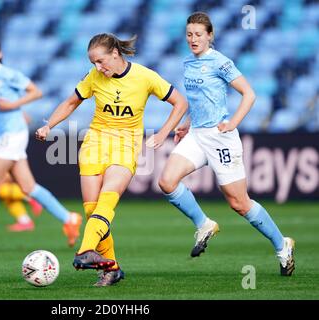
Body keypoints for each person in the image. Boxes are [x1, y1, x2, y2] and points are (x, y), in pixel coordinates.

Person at [36, 33, 188, 286]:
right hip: (95, 142)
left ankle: (85, 250)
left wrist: (163, 133)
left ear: (115, 54)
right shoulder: (93, 76)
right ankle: (112, 269)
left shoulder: (145, 76)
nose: (97, 67)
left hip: (125, 145)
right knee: (92, 211)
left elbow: (180, 103)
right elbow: (72, 102)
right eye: (94, 63)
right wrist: (48, 125)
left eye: (100, 61)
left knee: (107, 200)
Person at [153, 12, 295, 276]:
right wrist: (186, 123)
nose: (193, 39)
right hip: (196, 134)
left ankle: (282, 245)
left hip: (221, 138)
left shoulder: (220, 62)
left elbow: (249, 94)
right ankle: (204, 224)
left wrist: (232, 123)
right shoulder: (187, 62)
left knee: (239, 203)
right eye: (189, 34)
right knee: (167, 182)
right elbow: (198, 100)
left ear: (210, 35)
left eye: (198, 34)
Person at [0, 38, 82, 254]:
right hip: (3, 134)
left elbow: (36, 92)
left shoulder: (8, 74)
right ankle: (69, 218)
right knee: (28, 187)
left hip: (13, 132)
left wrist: (12, 105)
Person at [0, 109, 43, 232]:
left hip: (9, 152)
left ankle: (31, 197)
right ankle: (25, 221)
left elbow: (27, 119)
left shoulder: (3, 104)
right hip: (1, 153)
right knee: (4, 193)